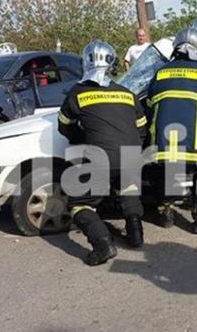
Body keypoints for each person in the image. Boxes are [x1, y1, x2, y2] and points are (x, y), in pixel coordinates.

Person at [58, 40, 147, 266]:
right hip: (131, 153)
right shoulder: (127, 92)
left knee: (79, 203)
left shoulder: (78, 93)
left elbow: (64, 125)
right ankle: (136, 235)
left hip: (99, 156)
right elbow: (142, 127)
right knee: (128, 188)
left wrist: (82, 141)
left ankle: (103, 245)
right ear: (112, 64)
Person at [147, 28, 197, 234]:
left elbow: (149, 104)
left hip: (166, 143)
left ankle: (166, 214)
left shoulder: (160, 73)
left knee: (166, 173)